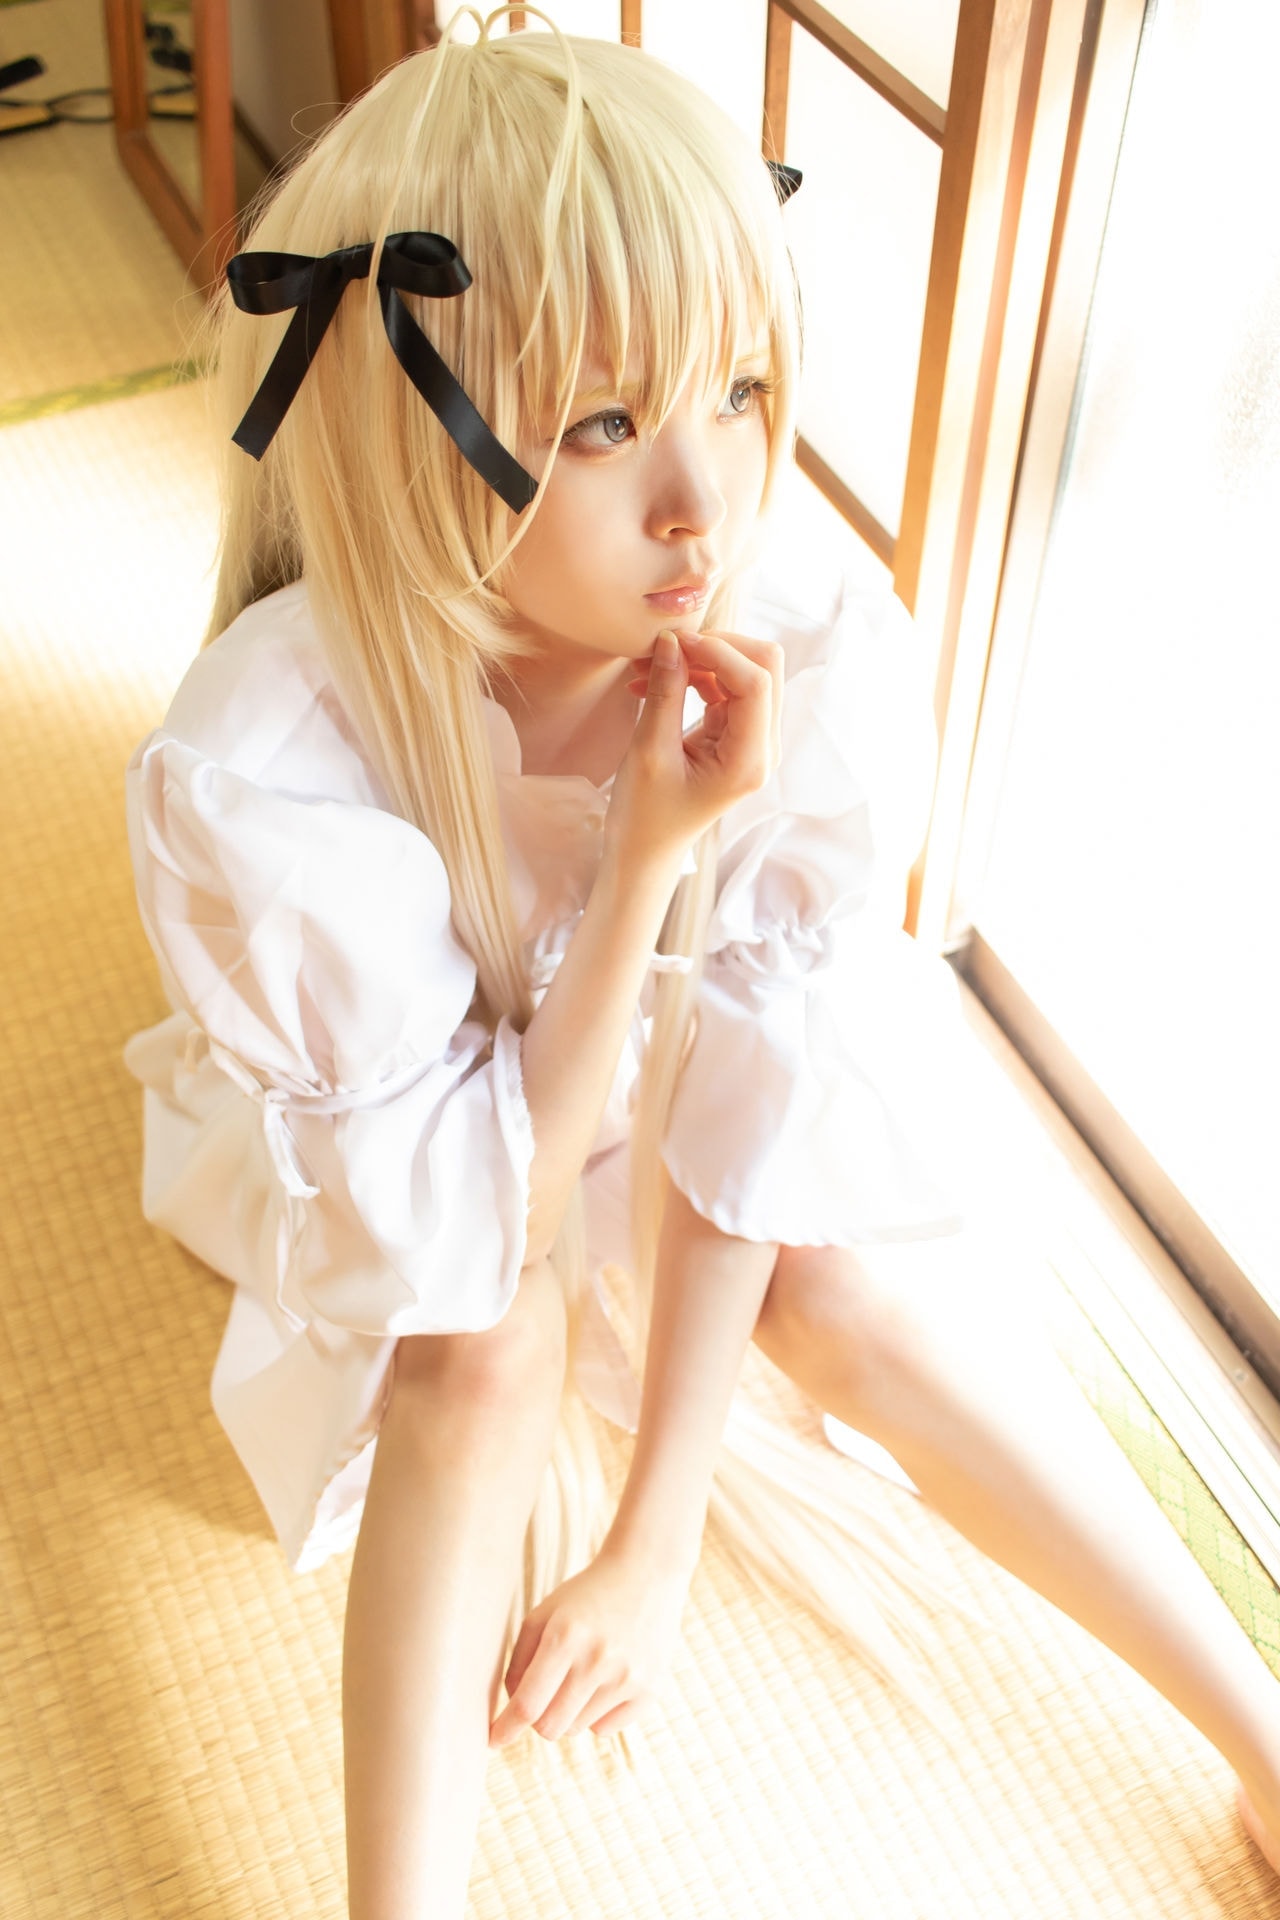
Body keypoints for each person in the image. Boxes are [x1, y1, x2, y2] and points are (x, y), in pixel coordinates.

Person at [121, 9, 1280, 1914]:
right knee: (482, 1352)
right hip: (416, 1151)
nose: (704, 498)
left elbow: (760, 1100)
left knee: (837, 1276)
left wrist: (651, 1550)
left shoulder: (791, 626)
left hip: (628, 1080)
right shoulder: (277, 752)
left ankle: (1263, 1729)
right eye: (602, 425)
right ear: (418, 427)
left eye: (739, 386)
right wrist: (651, 848)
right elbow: (477, 1225)